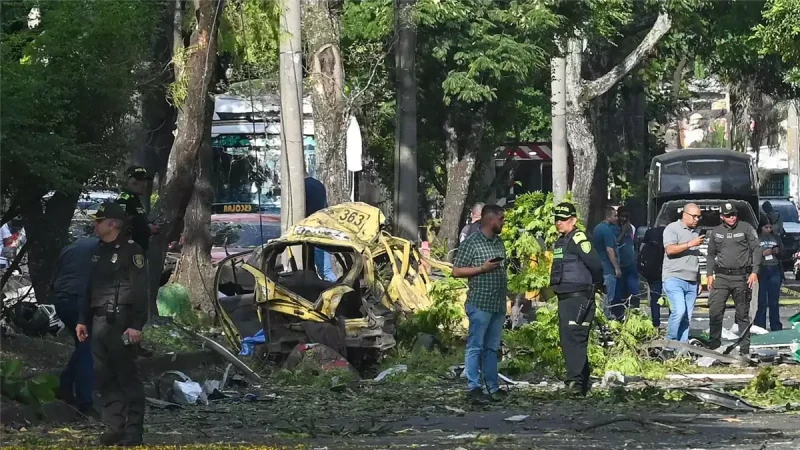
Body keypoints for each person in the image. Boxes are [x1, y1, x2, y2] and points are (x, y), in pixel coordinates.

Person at [76, 202, 147, 446]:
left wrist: (137, 325)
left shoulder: (132, 251)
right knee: (104, 376)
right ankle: (114, 426)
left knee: (127, 375)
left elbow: (139, 292)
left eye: (99, 221)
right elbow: (90, 287)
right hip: (99, 322)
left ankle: (133, 430)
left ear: (113, 224)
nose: (95, 225)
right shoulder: (98, 251)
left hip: (123, 323)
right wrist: (82, 320)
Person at [452, 204, 507, 403]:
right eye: (501, 219)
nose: (503, 222)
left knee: (492, 347)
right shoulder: (472, 242)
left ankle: (492, 387)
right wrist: (482, 269)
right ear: (490, 219)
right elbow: (456, 271)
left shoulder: (499, 242)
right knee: (475, 345)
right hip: (480, 303)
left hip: (497, 303)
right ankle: (474, 387)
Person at [550, 203, 603, 395]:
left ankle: (575, 383)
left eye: (563, 219)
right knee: (569, 339)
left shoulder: (579, 238)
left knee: (575, 339)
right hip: (566, 297)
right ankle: (581, 381)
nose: (559, 223)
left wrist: (595, 285)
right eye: (557, 219)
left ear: (574, 220)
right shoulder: (562, 240)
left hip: (579, 297)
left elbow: (595, 264)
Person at [51, 237, 100, 415]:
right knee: (88, 348)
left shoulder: (72, 246)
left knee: (83, 346)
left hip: (62, 298)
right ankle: (85, 401)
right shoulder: (107, 250)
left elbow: (57, 274)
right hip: (79, 300)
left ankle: (65, 385)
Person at [706, 202, 761, 354]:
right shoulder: (716, 232)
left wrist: (755, 271)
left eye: (734, 214)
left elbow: (757, 249)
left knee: (742, 314)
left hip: (741, 277)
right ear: (722, 216)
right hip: (722, 277)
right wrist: (709, 274)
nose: (732, 218)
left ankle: (744, 349)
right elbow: (710, 254)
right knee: (715, 311)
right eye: (728, 215)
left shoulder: (746, 228)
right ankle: (714, 346)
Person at [662, 203, 704, 343]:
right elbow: (670, 250)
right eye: (694, 216)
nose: (697, 219)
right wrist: (690, 244)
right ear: (684, 215)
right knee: (678, 311)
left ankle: (682, 348)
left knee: (687, 317)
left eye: (699, 217)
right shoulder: (672, 228)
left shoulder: (695, 232)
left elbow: (695, 257)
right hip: (674, 277)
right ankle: (669, 343)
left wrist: (698, 280)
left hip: (691, 280)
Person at [116, 166, 158, 252]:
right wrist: (147, 229)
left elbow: (137, 220)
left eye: (144, 180)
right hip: (127, 250)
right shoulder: (124, 199)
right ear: (128, 181)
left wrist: (149, 225)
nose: (143, 184)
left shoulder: (135, 199)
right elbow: (119, 225)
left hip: (139, 249)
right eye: (138, 180)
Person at [305, 170, 336, 282]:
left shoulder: (301, 187)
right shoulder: (319, 185)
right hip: (322, 229)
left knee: (324, 271)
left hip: (309, 232)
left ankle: (339, 293)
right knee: (324, 270)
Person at [592, 206, 622, 319]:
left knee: (601, 297)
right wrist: (616, 268)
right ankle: (605, 320)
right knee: (608, 298)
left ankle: (601, 319)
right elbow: (610, 250)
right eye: (614, 216)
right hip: (608, 269)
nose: (617, 218)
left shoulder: (597, 228)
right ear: (608, 216)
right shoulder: (606, 230)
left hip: (599, 268)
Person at [756, 218, 783, 331]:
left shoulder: (776, 237)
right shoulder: (756, 237)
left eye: (770, 227)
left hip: (774, 268)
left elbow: (784, 251)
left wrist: (778, 251)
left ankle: (776, 325)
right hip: (762, 269)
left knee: (774, 300)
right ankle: (760, 325)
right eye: (765, 227)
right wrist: (762, 253)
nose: (768, 229)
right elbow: (750, 253)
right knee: (762, 301)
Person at [638, 226, 665, 327]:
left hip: (652, 272)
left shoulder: (649, 235)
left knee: (655, 298)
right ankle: (673, 324)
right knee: (671, 298)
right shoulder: (669, 234)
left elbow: (641, 251)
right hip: (666, 271)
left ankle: (656, 322)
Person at [615, 206, 640, 310]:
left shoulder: (631, 227)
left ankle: (634, 308)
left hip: (630, 262)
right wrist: (623, 232)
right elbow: (615, 242)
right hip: (618, 263)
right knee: (619, 291)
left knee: (633, 288)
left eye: (626, 217)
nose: (624, 219)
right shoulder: (614, 228)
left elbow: (635, 243)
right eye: (622, 216)